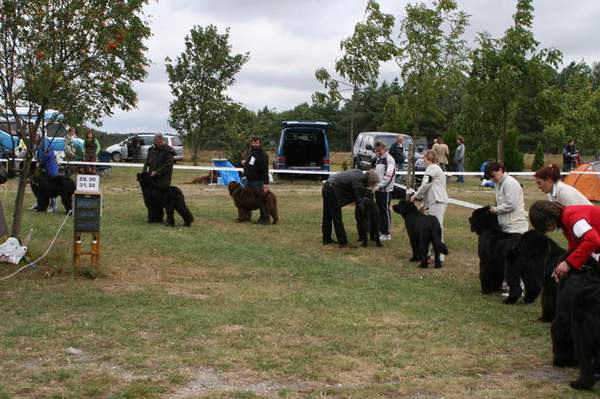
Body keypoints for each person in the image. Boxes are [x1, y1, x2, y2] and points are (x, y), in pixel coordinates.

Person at [529, 201, 600, 282]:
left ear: (548, 218)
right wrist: (562, 262)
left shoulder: (573, 217)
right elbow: (574, 246)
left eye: (544, 226)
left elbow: (593, 240)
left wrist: (568, 264)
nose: (547, 230)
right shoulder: (565, 221)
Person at [322, 169, 379, 248]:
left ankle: (326, 239)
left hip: (327, 186)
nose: (370, 187)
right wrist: (366, 212)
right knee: (337, 217)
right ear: (369, 181)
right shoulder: (359, 182)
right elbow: (359, 199)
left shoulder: (359, 172)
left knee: (327, 215)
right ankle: (343, 242)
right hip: (332, 189)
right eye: (371, 185)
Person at [410, 150, 448, 262]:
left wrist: (415, 196)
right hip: (434, 201)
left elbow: (425, 185)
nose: (423, 161)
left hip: (437, 201)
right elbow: (430, 188)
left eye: (424, 159)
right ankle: (432, 253)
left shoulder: (431, 169)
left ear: (429, 159)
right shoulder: (437, 168)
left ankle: (439, 255)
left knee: (437, 228)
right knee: (433, 228)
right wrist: (424, 204)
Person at [487, 161, 528, 234]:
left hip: (516, 229)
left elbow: (511, 205)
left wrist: (495, 210)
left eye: (493, 176)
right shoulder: (499, 184)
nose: (492, 179)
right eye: (490, 177)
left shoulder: (509, 183)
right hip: (506, 228)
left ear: (500, 170)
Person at [370, 141, 396, 241]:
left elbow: (389, 175)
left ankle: (386, 233)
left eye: (380, 150)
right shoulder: (378, 159)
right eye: (376, 151)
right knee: (380, 210)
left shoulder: (390, 159)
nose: (378, 152)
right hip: (377, 189)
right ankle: (381, 230)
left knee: (384, 210)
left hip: (386, 190)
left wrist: (380, 186)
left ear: (385, 148)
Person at [242, 136, 270, 224]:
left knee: (261, 201)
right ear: (251, 143)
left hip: (258, 182)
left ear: (260, 143)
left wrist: (266, 183)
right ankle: (246, 216)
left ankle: (264, 219)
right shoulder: (251, 153)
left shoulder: (263, 156)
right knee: (246, 199)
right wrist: (245, 163)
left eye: (257, 142)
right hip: (248, 181)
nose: (255, 144)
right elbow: (251, 165)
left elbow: (265, 171)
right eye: (253, 142)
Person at [32, 134, 59, 212]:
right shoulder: (38, 143)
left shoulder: (45, 142)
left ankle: (54, 206)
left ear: (37, 136)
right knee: (37, 184)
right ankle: (39, 203)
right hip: (42, 167)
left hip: (51, 166)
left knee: (52, 185)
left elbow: (48, 154)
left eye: (33, 138)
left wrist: (40, 161)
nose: (33, 141)